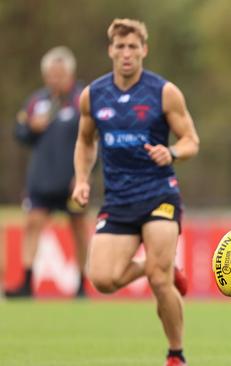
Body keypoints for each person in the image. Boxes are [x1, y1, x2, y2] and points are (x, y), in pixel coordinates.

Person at [72, 19, 198, 366]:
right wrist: (82, 180)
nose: (126, 53)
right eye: (120, 47)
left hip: (159, 194)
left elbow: (191, 141)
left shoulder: (163, 91)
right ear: (111, 50)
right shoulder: (93, 95)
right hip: (118, 200)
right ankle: (161, 267)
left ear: (144, 50)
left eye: (133, 47)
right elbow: (85, 141)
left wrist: (171, 152)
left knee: (159, 282)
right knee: (102, 279)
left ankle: (176, 354)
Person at [9, 46, 89, 298]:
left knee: (78, 229)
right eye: (51, 75)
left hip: (72, 181)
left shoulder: (82, 100)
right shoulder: (36, 101)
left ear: (71, 74)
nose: (56, 80)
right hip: (42, 179)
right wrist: (32, 128)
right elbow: (19, 133)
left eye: (60, 74)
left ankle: (81, 285)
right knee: (32, 224)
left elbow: (93, 141)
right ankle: (26, 282)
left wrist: (83, 175)